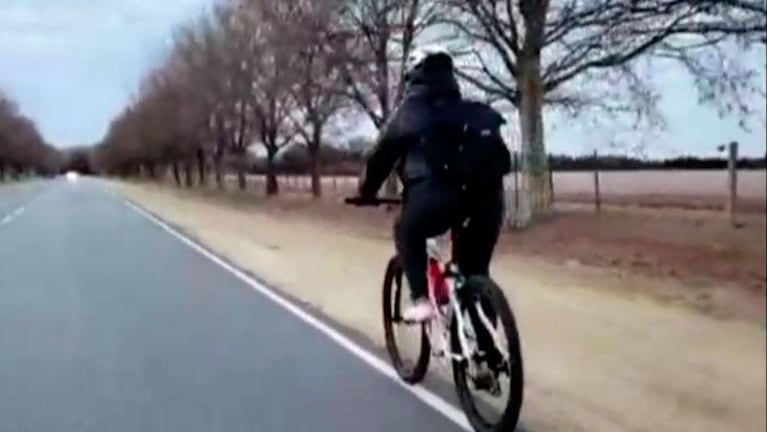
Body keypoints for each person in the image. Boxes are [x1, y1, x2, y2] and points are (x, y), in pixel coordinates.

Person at [355, 45, 510, 324]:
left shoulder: (410, 113)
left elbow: (380, 158)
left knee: (406, 230)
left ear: (413, 77)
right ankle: (489, 354)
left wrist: (366, 193)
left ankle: (421, 299)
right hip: (489, 200)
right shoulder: (473, 112)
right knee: (475, 271)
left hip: (437, 198)